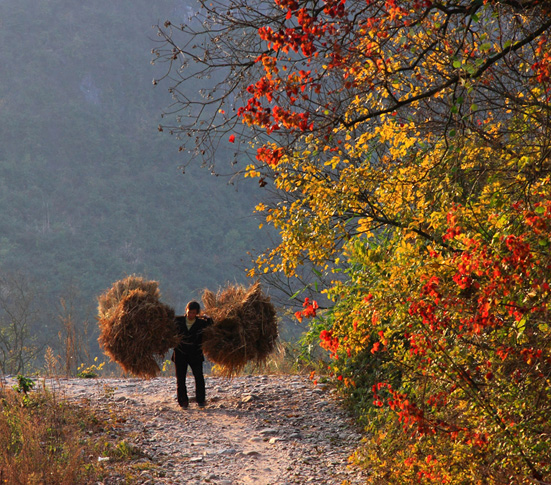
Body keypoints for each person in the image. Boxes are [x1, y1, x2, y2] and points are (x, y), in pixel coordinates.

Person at [172, 300, 213, 409]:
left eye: (194, 313)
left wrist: (208, 318)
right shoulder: (177, 321)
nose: (191, 315)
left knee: (199, 377)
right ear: (186, 310)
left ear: (197, 313)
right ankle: (183, 402)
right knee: (180, 379)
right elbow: (167, 327)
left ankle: (201, 401)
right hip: (180, 354)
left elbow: (212, 327)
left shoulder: (202, 323)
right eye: (189, 312)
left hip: (195, 354)